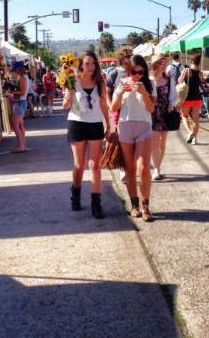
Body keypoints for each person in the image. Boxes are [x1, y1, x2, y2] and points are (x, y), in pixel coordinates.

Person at [62, 51, 112, 218]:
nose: (91, 67)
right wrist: (67, 98)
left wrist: (109, 124)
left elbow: (104, 104)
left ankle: (96, 204)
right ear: (81, 65)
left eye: (93, 64)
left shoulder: (100, 82)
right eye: (87, 64)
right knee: (79, 165)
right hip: (77, 123)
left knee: (95, 165)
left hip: (95, 124)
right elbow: (65, 106)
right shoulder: (72, 80)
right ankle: (75, 194)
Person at [111, 54, 156, 221]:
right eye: (135, 72)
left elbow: (151, 109)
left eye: (141, 72)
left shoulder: (150, 84)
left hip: (144, 126)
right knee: (129, 169)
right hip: (125, 126)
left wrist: (144, 93)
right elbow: (114, 107)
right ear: (129, 71)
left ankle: (146, 206)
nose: (138, 75)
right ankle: (134, 205)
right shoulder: (121, 83)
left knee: (143, 168)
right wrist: (121, 92)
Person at [150, 54, 178, 180]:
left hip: (165, 112)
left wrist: (171, 104)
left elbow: (173, 94)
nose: (164, 65)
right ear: (155, 64)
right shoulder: (149, 79)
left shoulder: (169, 79)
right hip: (152, 112)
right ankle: (156, 169)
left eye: (164, 62)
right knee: (155, 142)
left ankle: (158, 167)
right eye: (161, 62)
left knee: (162, 142)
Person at [178, 54, 206, 145]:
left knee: (185, 116)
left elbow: (179, 81)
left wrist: (184, 73)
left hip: (187, 98)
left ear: (191, 62)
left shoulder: (187, 70)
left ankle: (190, 132)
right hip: (197, 98)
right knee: (195, 120)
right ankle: (194, 138)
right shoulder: (200, 72)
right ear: (199, 63)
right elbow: (203, 83)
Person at [7, 62, 28, 153]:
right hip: (22, 102)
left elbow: (22, 92)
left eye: (15, 69)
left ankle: (21, 146)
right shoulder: (24, 77)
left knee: (15, 125)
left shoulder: (22, 78)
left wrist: (11, 92)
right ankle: (22, 145)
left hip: (19, 102)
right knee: (20, 125)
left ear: (18, 69)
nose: (14, 71)